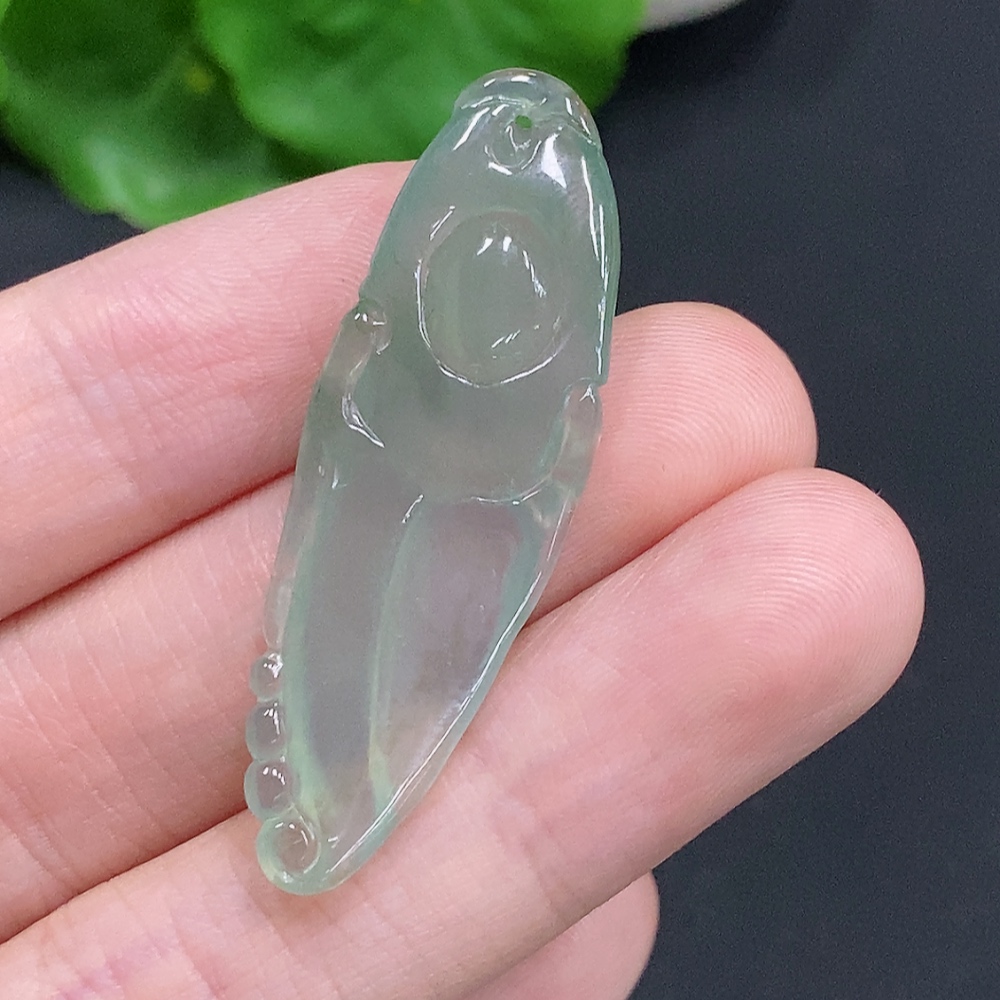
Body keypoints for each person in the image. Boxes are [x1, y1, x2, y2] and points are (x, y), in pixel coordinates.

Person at [0, 162, 924, 998]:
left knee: (396, 664)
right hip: (392, 473)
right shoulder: (395, 381)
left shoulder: (514, 416)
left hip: (474, 497)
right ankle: (325, 804)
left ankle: (330, 807)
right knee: (343, 648)